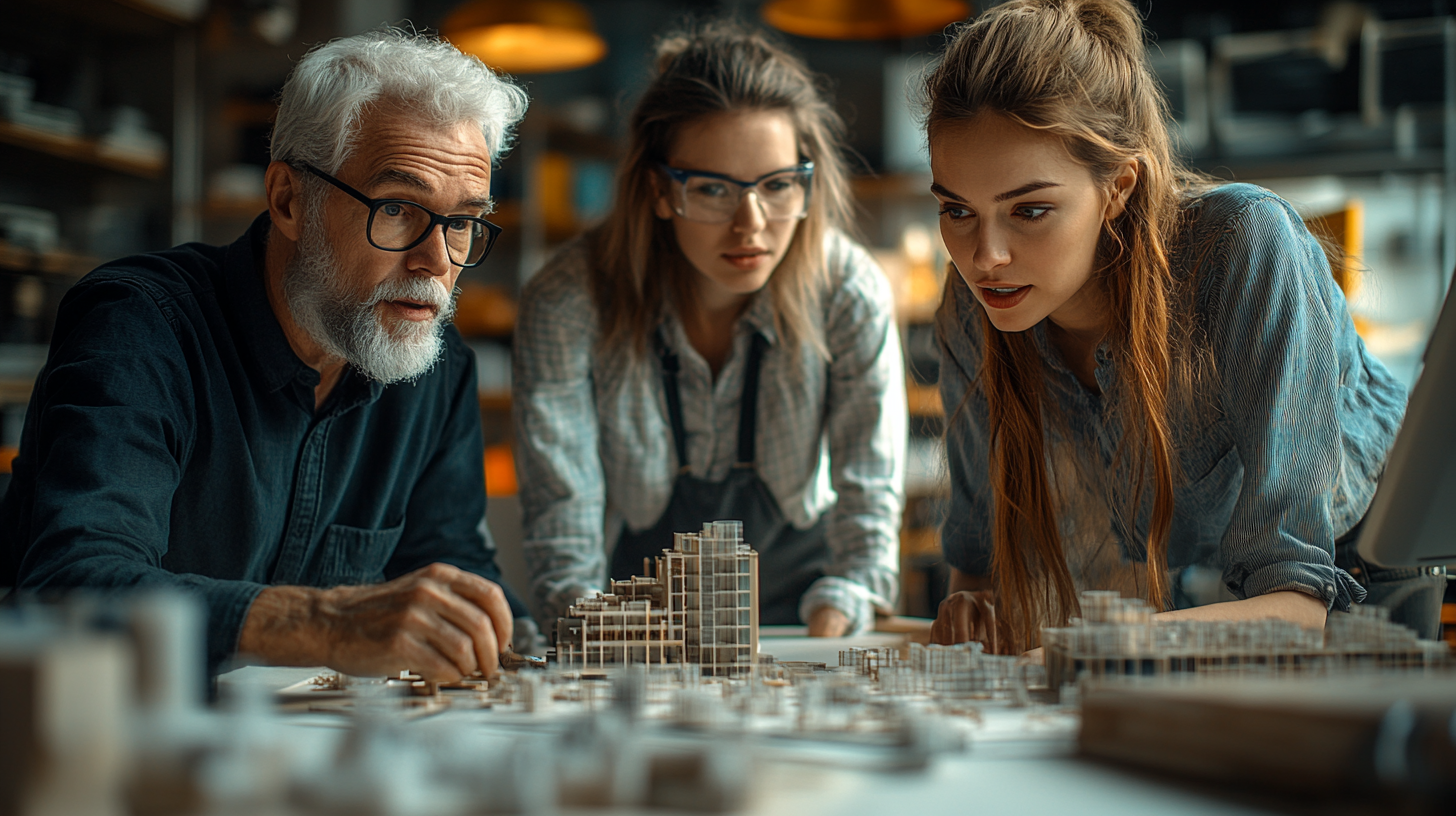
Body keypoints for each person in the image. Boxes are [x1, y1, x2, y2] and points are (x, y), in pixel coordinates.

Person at [1, 29, 532, 679]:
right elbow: (74, 586)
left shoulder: (438, 368)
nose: (436, 262)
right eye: (397, 208)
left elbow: (449, 569)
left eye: (461, 222)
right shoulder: (140, 326)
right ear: (287, 198)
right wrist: (331, 625)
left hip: (301, 754)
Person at [925, 0, 1439, 654]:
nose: (984, 256)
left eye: (1028, 210)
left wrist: (1094, 646)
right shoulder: (973, 303)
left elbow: (1297, 608)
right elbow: (978, 571)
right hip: (1213, 602)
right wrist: (973, 612)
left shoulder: (1244, 246)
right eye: (957, 210)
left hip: (1367, 578)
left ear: (1117, 186)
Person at [513, 22, 906, 636]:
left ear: (807, 183)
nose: (751, 224)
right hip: (641, 625)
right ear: (659, 191)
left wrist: (845, 605)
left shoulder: (847, 289)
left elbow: (869, 488)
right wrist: (594, 628)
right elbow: (563, 521)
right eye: (714, 189)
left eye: (777, 186)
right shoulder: (568, 300)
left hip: (807, 618)